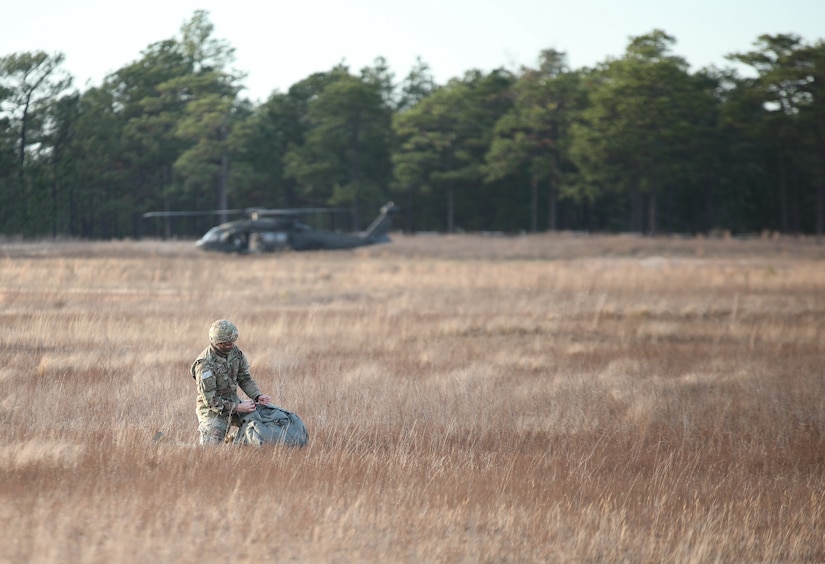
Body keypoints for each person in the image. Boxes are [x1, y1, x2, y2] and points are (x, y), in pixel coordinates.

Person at [190, 319, 272, 445]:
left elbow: (244, 378)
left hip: (233, 402)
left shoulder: (234, 352)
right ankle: (166, 443)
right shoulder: (204, 365)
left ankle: (233, 443)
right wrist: (238, 407)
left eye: (232, 342)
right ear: (216, 342)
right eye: (226, 344)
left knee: (258, 424)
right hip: (212, 411)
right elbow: (211, 401)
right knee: (209, 452)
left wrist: (257, 395)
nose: (230, 346)